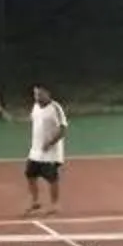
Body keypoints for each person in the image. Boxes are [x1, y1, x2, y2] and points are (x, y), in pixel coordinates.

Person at [19, 84, 69, 215]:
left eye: (40, 94)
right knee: (29, 175)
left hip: (51, 153)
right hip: (35, 152)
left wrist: (50, 143)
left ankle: (55, 205)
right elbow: (32, 119)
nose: (37, 97)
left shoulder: (55, 108)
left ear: (48, 93)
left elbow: (63, 129)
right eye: (35, 94)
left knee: (52, 179)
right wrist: (15, 119)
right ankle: (35, 202)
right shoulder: (35, 107)